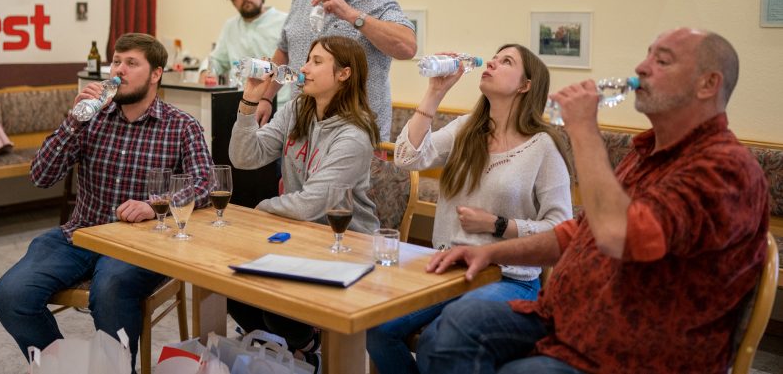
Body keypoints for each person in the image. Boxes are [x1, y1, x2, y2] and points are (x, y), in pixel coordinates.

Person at [418, 28, 769, 374]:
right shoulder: (646, 153)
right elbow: (577, 233)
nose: (642, 68)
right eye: (647, 55)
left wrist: (583, 128)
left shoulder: (724, 168)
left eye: (661, 61)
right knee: (458, 325)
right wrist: (489, 252)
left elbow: (618, 235)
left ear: (707, 84)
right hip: (570, 321)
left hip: (637, 350)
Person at [0, 33, 213, 373]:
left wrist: (155, 205)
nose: (118, 71)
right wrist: (72, 121)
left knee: (109, 290)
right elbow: (40, 176)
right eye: (115, 62)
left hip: (139, 244)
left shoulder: (182, 126)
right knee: (10, 295)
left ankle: (116, 368)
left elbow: (205, 184)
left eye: (131, 63)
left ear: (156, 73)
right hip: (80, 235)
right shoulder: (90, 119)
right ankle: (64, 366)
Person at [367, 44, 573, 374]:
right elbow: (407, 158)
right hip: (450, 270)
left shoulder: (542, 146)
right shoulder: (467, 129)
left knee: (438, 337)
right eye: (494, 57)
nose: (491, 62)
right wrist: (435, 92)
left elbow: (562, 226)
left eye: (506, 61)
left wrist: (499, 225)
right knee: (377, 327)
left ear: (525, 85)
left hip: (509, 277)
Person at [227, 35, 381, 371]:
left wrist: (260, 210)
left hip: (344, 243)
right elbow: (243, 156)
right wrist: (249, 103)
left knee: (273, 299)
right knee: (232, 284)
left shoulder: (354, 134)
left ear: (343, 74)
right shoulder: (298, 108)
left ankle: (313, 348)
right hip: (297, 235)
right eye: (307, 59)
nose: (304, 68)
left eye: (315, 61)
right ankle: (290, 354)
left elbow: (312, 204)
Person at [255, 0, 416, 141]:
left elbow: (408, 47)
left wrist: (350, 13)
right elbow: (284, 50)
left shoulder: (377, 1)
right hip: (304, 130)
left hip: (356, 135)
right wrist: (266, 98)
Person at [210, 0, 289, 110]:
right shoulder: (230, 27)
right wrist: (206, 71)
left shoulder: (285, 22)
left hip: (279, 108)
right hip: (240, 107)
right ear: (232, 0)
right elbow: (217, 61)